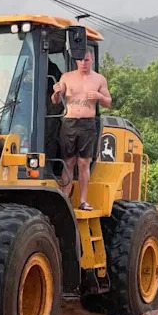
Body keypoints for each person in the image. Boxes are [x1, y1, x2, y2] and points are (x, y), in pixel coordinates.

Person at [51, 48, 111, 211]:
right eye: (81, 60)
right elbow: (56, 100)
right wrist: (56, 93)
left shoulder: (99, 79)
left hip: (87, 123)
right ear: (76, 61)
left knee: (83, 162)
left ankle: (83, 200)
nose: (83, 63)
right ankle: (65, 199)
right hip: (69, 122)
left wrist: (99, 97)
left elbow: (108, 101)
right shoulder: (67, 77)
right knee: (68, 161)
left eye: (86, 60)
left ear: (92, 59)